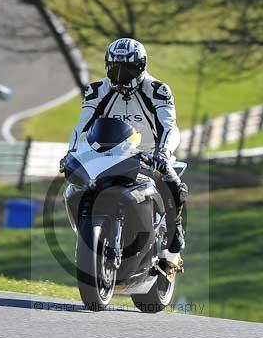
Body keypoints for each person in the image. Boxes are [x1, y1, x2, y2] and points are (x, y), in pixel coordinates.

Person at [66, 38, 188, 268]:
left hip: (150, 154)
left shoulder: (158, 91)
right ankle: (88, 233)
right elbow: (81, 127)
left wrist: (163, 153)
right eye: (115, 69)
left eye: (128, 69)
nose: (121, 75)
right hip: (110, 153)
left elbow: (169, 126)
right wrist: (71, 153)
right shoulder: (96, 91)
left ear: (141, 67)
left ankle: (175, 234)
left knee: (172, 183)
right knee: (78, 185)